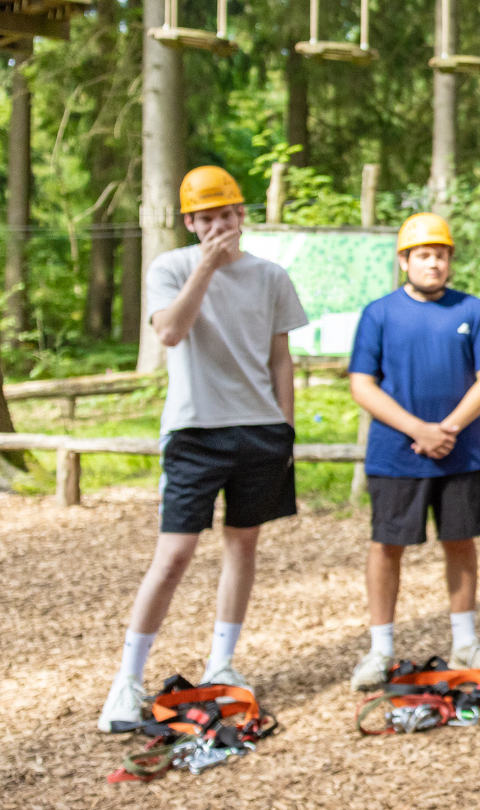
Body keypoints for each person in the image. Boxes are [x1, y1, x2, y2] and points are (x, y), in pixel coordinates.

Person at [98, 166, 308, 731]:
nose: (218, 226)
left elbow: (280, 358)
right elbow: (169, 332)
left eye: (227, 215)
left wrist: (285, 430)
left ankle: (222, 663)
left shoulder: (271, 276)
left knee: (243, 546)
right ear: (190, 222)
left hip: (260, 430)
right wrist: (207, 268)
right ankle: (126, 682)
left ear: (242, 215)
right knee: (174, 555)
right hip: (194, 431)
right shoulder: (170, 267)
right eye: (206, 218)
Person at [346, 213, 480, 690]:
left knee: (460, 541)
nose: (433, 263)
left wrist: (449, 428)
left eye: (440, 254)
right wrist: (418, 429)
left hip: (460, 451)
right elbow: (362, 384)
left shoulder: (473, 310)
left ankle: (466, 642)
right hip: (396, 454)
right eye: (423, 255)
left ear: (450, 260)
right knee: (386, 546)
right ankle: (381, 649)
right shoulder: (379, 313)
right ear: (404, 260)